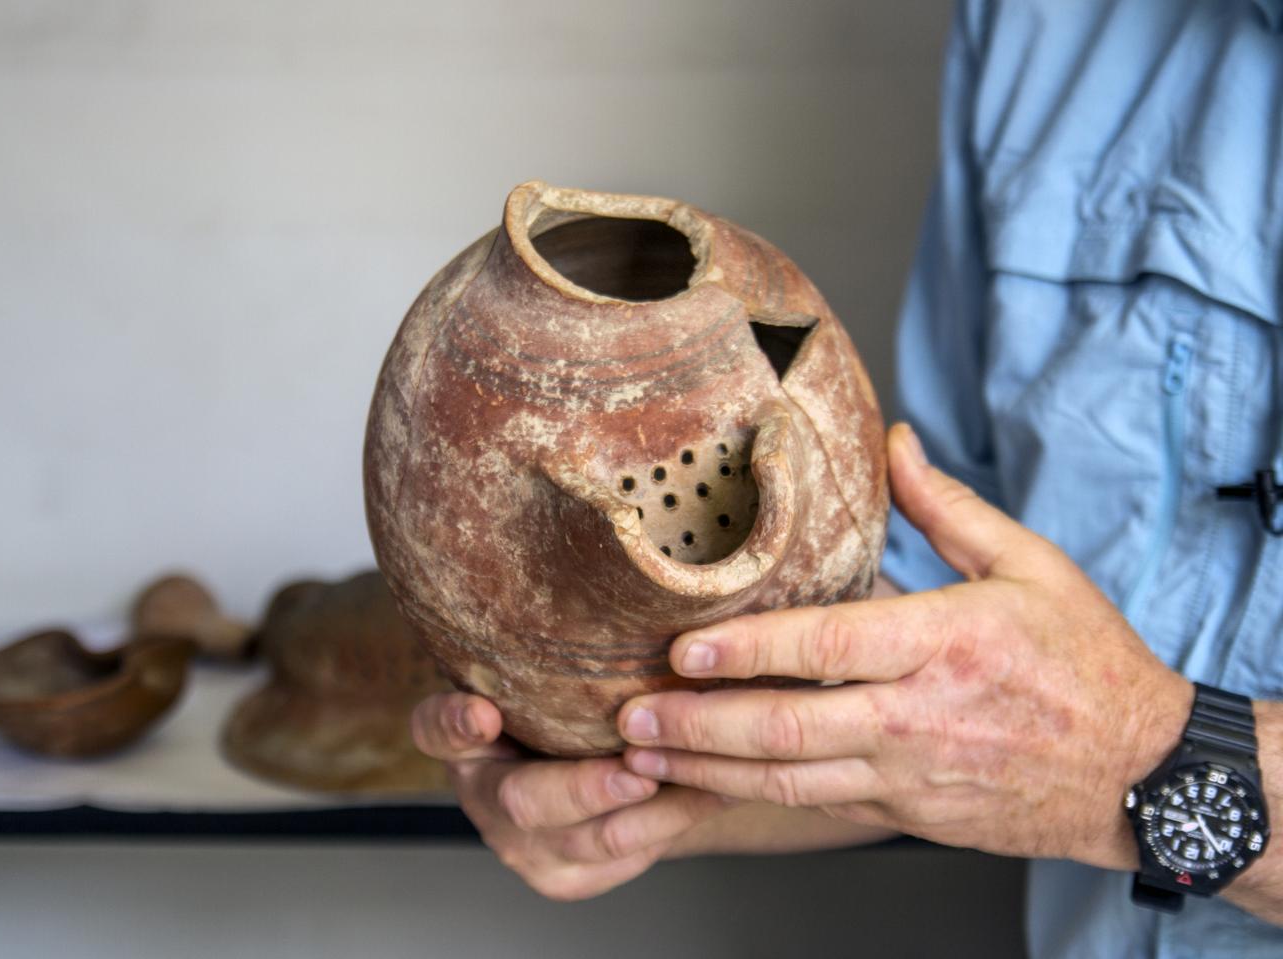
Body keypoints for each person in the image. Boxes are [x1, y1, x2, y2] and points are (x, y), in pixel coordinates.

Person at [411, 1, 1283, 954]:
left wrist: (1145, 762)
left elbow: (1050, 741)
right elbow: (929, 653)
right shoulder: (1046, 23)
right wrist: (643, 787)